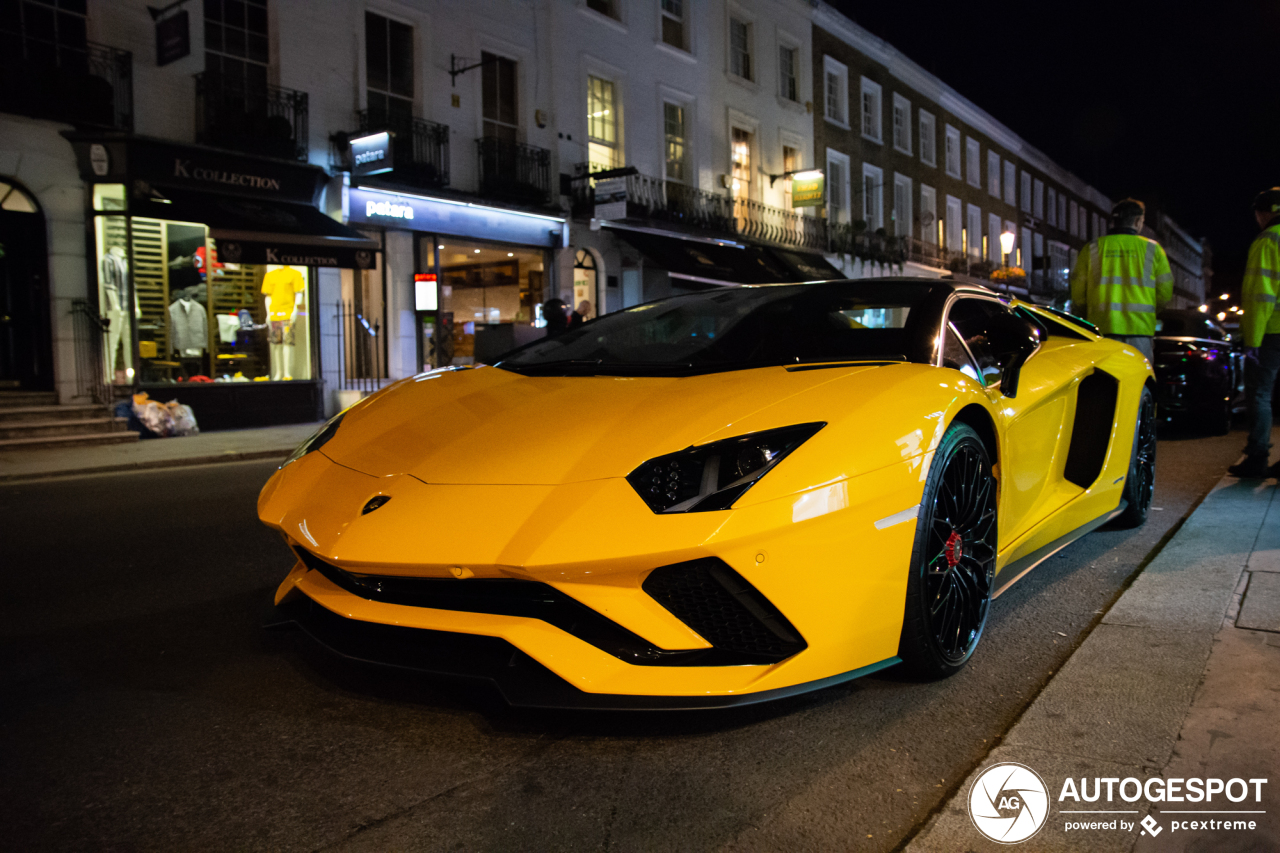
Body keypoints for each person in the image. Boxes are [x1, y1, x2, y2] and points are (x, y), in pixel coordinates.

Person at [1068, 198, 1173, 362]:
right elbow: (1165, 293)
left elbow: (1078, 293)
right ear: (1138, 221)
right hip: (1140, 331)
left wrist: (1087, 314)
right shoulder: (1153, 249)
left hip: (1102, 328)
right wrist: (1149, 311)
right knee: (1138, 380)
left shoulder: (1093, 248)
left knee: (1104, 380)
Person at [1228, 188, 1280, 478]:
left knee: (1259, 395)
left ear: (1264, 212)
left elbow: (1260, 296)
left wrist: (1252, 342)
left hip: (1272, 333)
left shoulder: (1268, 240)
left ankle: (1257, 457)